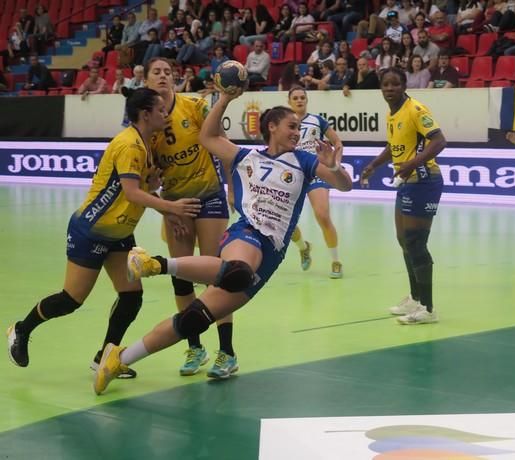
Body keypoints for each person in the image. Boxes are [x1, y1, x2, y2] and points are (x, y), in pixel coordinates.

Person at [93, 86, 353, 395]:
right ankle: (155, 264)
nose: (297, 132)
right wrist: (226, 100)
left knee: (192, 320)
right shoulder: (247, 157)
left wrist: (334, 166)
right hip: (246, 233)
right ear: (272, 127)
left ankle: (118, 358)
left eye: (299, 127)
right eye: (291, 126)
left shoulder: (305, 162)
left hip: (273, 251)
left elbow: (345, 186)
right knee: (237, 270)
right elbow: (207, 137)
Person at [7, 88, 201, 373]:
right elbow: (132, 193)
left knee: (132, 297)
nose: (165, 113)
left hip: (120, 232)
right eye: (160, 110)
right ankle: (21, 330)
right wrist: (172, 209)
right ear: (145, 114)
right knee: (71, 300)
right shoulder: (129, 145)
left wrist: (161, 203)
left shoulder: (147, 142)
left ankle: (104, 358)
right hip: (92, 231)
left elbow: (141, 190)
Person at [142, 57, 239, 379]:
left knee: (217, 275)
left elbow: (220, 143)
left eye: (168, 72)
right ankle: (195, 347)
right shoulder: (146, 120)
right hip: (175, 204)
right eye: (156, 72)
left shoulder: (194, 105)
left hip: (209, 196)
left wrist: (230, 187)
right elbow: (147, 177)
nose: (163, 76)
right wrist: (166, 204)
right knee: (182, 277)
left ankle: (227, 352)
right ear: (145, 79)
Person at [361, 67, 446, 325]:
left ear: (404, 86)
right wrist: (374, 164)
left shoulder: (416, 110)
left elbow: (439, 141)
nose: (390, 89)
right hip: (407, 182)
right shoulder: (391, 113)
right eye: (385, 84)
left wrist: (411, 164)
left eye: (395, 84)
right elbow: (393, 146)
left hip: (424, 181)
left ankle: (428, 309)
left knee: (416, 242)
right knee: (404, 240)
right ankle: (416, 297)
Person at [287, 87, 345, 278]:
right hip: (292, 174)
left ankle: (336, 261)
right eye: (295, 98)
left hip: (315, 171)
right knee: (286, 223)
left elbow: (337, 143)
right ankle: (304, 247)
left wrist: (335, 164)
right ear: (289, 102)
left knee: (322, 215)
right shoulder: (284, 122)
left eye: (302, 97)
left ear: (307, 100)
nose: (299, 100)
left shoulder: (317, 121)